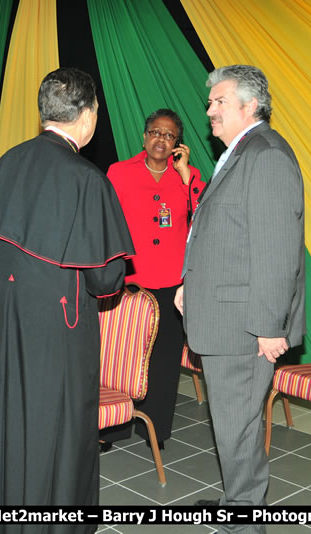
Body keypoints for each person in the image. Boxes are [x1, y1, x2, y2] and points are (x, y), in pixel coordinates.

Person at [0, 68, 134, 534]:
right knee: (55, 427)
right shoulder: (86, 179)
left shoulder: (6, 163)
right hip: (58, 324)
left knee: (2, 417)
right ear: (86, 115)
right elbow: (105, 278)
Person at [175, 65, 305, 533]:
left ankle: (245, 521)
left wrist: (271, 328)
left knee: (240, 428)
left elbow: (277, 250)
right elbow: (225, 236)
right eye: (210, 103)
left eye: (220, 102)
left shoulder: (266, 155)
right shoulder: (239, 153)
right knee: (232, 427)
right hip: (226, 317)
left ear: (251, 105)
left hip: (246, 327)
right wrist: (191, 283)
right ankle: (238, 502)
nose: (209, 110)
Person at [100, 109, 202, 451]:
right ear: (145, 137)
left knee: (164, 356)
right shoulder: (119, 172)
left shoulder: (188, 177)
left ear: (178, 144)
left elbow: (206, 217)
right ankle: (110, 427)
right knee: (120, 355)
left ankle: (156, 429)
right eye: (155, 133)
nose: (161, 139)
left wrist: (187, 176)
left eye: (169, 135)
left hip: (173, 285)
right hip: (130, 281)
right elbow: (105, 222)